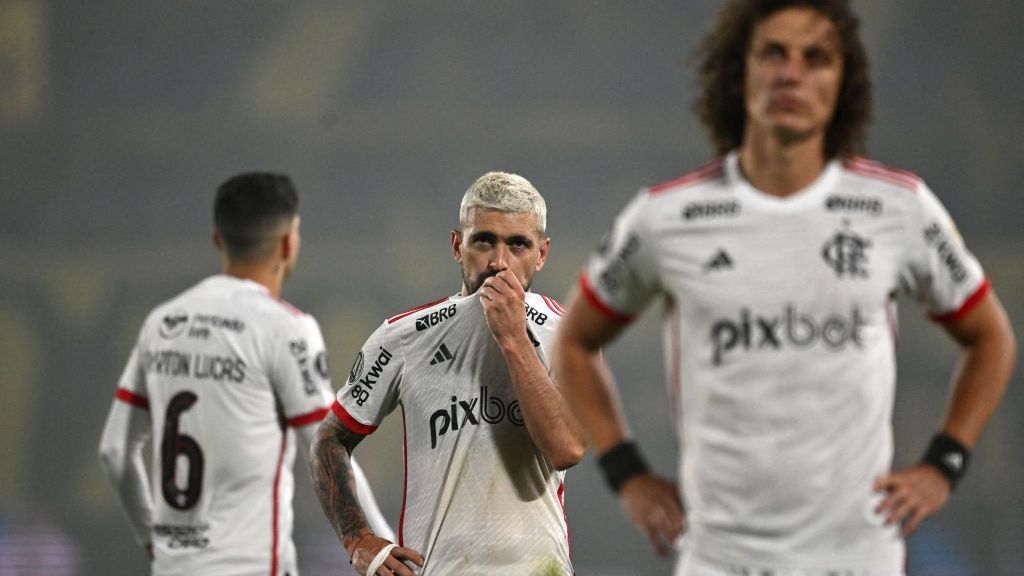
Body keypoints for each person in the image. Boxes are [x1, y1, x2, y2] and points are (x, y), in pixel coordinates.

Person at [553, 1, 1017, 574]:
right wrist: (627, 475)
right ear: (738, 71)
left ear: (843, 82)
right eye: (773, 53)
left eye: (816, 58)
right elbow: (573, 340)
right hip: (721, 558)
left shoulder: (898, 209)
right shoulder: (666, 218)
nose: (792, 73)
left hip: (857, 557)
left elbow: (990, 337)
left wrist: (944, 464)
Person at [98, 172, 393, 576]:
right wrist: (384, 546)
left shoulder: (163, 323)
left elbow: (114, 452)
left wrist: (152, 541)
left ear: (218, 240)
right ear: (288, 243)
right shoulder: (284, 328)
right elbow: (329, 448)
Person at [309, 171, 585, 576]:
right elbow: (329, 439)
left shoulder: (567, 333)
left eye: (518, 244)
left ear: (541, 254)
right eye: (484, 241)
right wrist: (357, 540)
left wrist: (513, 337)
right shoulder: (403, 337)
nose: (499, 262)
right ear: (458, 246)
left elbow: (568, 448)